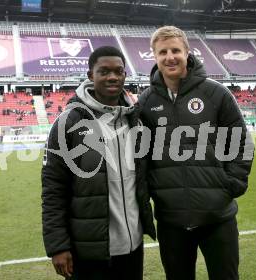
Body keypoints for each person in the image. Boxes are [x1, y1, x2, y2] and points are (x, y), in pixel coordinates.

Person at [138, 26, 254, 280]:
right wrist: (151, 192)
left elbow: (240, 142)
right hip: (172, 220)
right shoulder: (145, 102)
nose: (170, 57)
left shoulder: (216, 93)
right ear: (154, 56)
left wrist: (230, 184)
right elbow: (141, 156)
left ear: (187, 52)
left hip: (217, 217)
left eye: (176, 50)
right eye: (163, 52)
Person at [42, 46, 156, 280]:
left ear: (125, 75)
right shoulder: (69, 122)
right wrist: (58, 246)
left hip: (133, 246)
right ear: (90, 76)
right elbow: (53, 189)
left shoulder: (136, 119)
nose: (112, 77)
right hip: (88, 250)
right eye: (104, 71)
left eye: (118, 71)